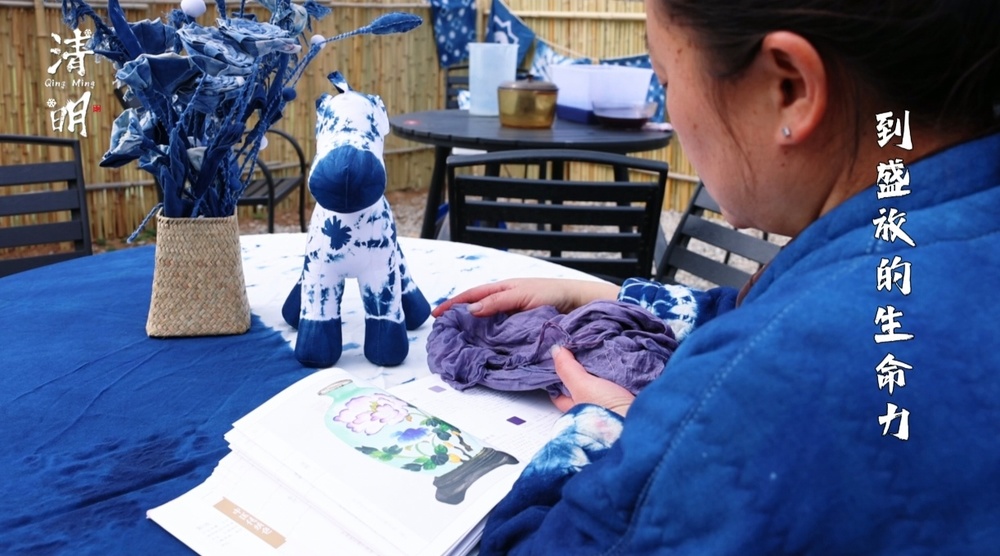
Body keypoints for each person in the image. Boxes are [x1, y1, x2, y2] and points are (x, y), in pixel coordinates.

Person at [431, 0, 1000, 553]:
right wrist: (607, 297)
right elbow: (786, 310)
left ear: (789, 88)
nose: (670, 111)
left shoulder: (756, 384)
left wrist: (615, 428)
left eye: (665, 79)